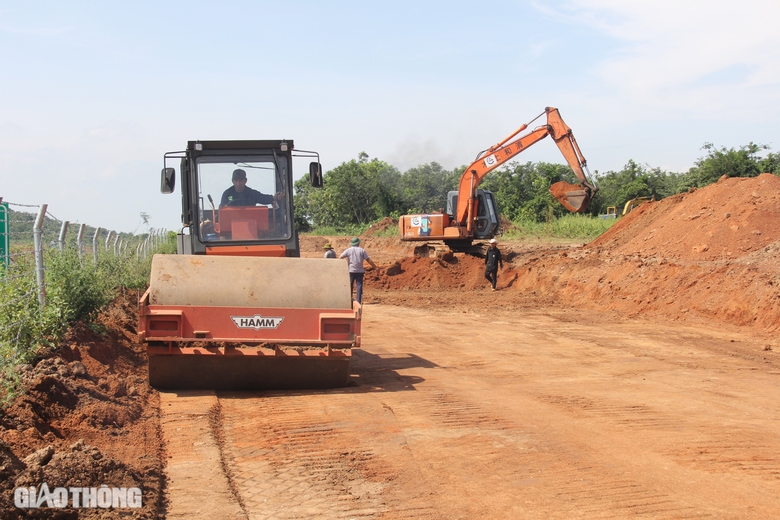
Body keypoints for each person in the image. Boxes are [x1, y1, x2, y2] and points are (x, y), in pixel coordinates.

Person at [340, 237, 377, 304]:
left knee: (350, 285)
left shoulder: (348, 250)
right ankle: (359, 301)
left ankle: (349, 300)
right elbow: (368, 260)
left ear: (351, 243)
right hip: (360, 271)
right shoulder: (362, 250)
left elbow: (341, 257)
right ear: (358, 243)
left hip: (351, 271)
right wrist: (375, 267)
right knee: (359, 285)